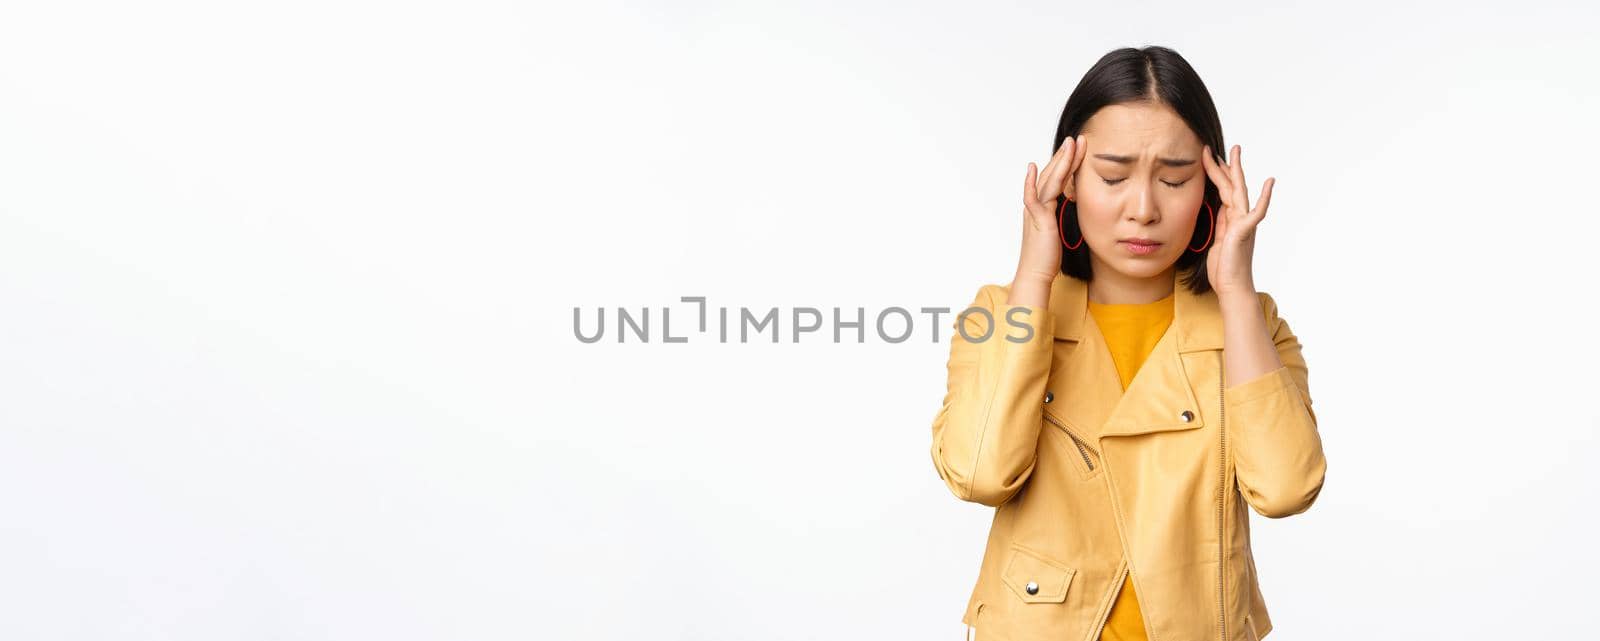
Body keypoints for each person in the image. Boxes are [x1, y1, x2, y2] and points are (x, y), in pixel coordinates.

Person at [929, 46, 1326, 641]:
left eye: (1174, 179)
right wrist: (1034, 277)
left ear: (1211, 190)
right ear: (1067, 179)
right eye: (1113, 177)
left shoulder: (1252, 323)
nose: (1143, 209)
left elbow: (1286, 488)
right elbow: (981, 473)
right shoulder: (999, 313)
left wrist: (1236, 292)